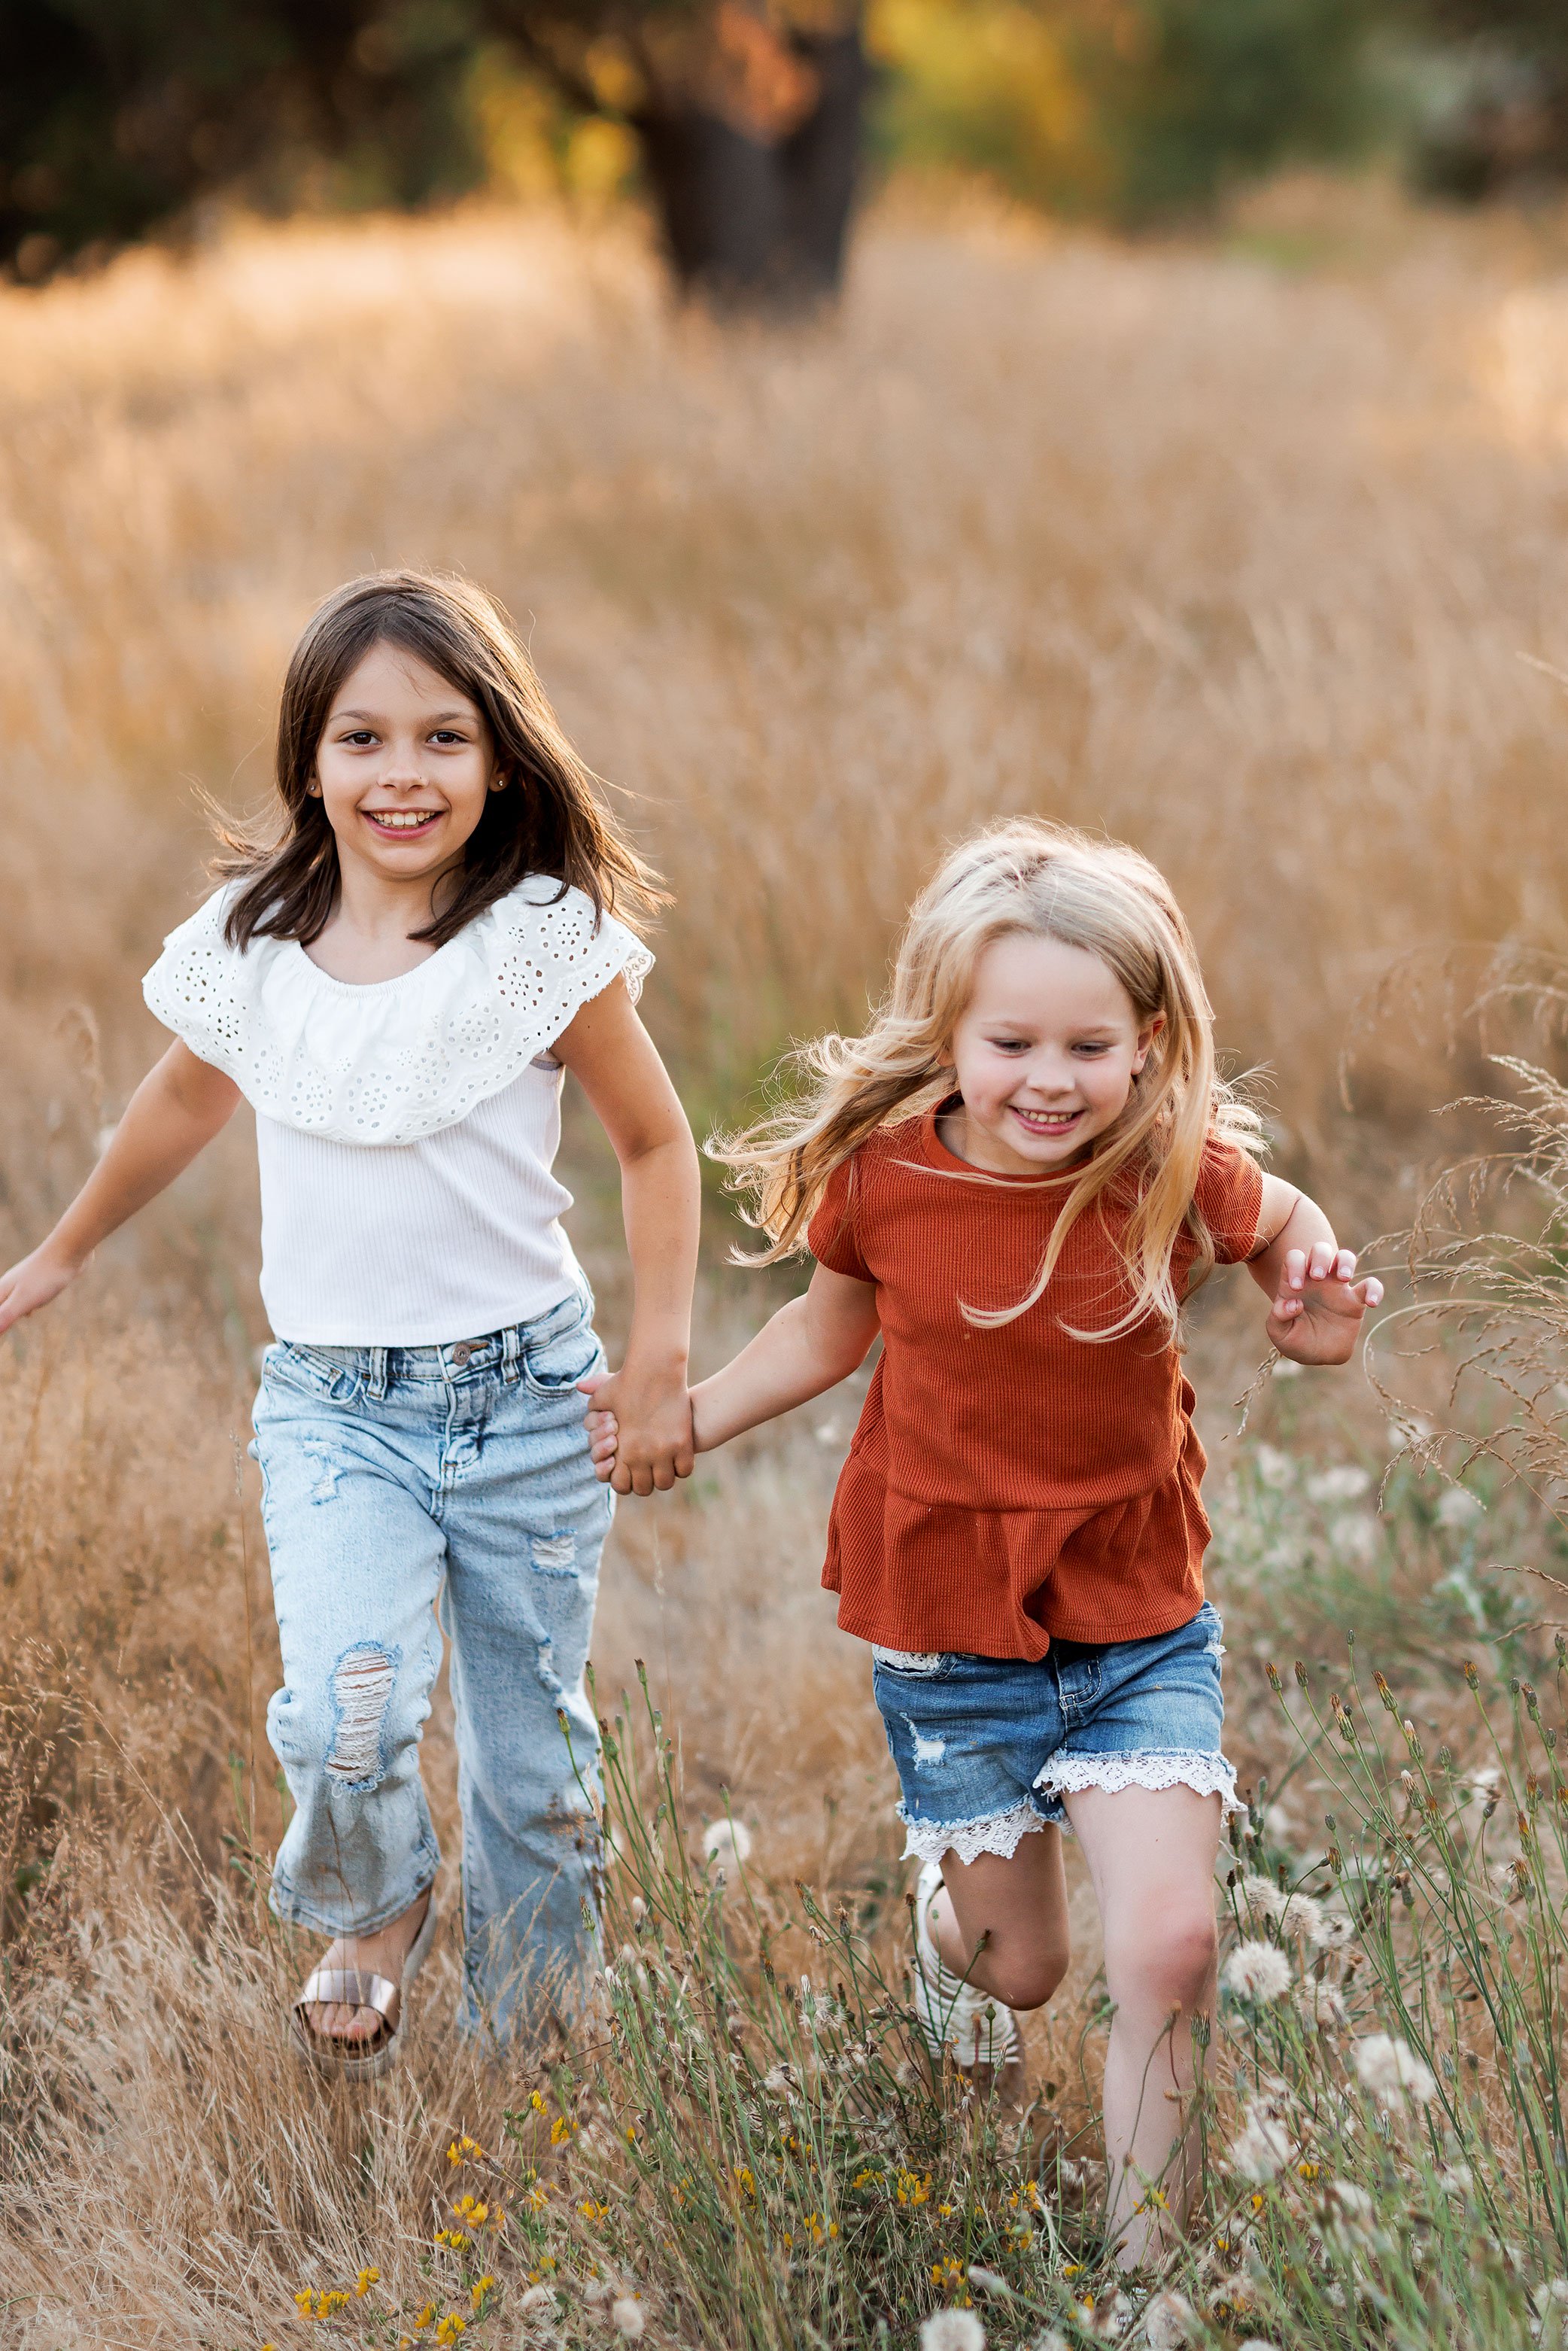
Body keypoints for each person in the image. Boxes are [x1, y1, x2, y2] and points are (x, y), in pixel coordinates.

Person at [587, 818, 1382, 2261]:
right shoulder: (891, 1178)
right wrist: (693, 1418)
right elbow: (828, 1328)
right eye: (1011, 1042)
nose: (1049, 1080)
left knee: (1173, 1946)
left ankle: (1149, 2286)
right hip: (953, 1625)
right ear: (948, 1033)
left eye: (1089, 1046)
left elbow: (1282, 1221)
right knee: (1026, 1971)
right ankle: (946, 1936)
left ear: (1148, 1041)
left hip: (1139, 1614)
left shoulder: (1169, 1164)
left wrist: (1307, 1293)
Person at [0, 570, 700, 2075]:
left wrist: (655, 1362)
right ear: (308, 762)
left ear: (502, 756)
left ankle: (532, 2061)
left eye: (442, 738)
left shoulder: (538, 942)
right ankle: (374, 1901)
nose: (402, 773)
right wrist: (58, 1250)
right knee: (342, 1710)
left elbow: (656, 1142)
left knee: (536, 1766)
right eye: (362, 738)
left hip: (529, 1402)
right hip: (332, 1407)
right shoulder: (255, 938)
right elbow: (180, 1099)